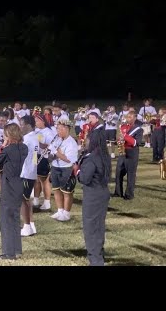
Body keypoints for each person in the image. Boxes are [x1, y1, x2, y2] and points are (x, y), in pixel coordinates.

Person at [73, 129, 111, 266]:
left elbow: (84, 178)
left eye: (88, 139)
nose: (86, 141)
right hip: (103, 192)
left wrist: (77, 170)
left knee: (91, 227)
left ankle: (95, 260)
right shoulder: (104, 155)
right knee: (99, 226)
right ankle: (99, 254)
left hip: (93, 195)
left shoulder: (91, 158)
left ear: (93, 140)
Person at [0, 124, 28, 260]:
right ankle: (17, 249)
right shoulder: (24, 148)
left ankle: (9, 252)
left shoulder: (8, 150)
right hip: (20, 184)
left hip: (9, 185)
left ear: (9, 135)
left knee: (7, 218)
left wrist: (4, 145)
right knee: (15, 217)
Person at [50, 120, 78, 222]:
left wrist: (55, 152)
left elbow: (68, 159)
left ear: (66, 129)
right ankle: (60, 210)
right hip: (55, 167)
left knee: (67, 192)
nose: (58, 131)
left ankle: (66, 213)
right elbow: (53, 154)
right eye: (57, 128)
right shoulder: (57, 139)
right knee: (56, 190)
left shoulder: (71, 142)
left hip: (66, 168)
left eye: (60, 129)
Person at [113, 111, 143, 200]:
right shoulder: (123, 127)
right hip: (122, 152)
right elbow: (120, 139)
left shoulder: (139, 129)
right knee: (118, 173)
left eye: (130, 117)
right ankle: (118, 192)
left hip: (132, 153)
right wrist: (119, 140)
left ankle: (129, 194)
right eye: (127, 117)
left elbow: (136, 143)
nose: (127, 118)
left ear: (134, 118)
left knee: (131, 175)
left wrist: (125, 136)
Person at [19, 116, 39, 237]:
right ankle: (31, 225)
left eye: (21, 124)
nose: (20, 127)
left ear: (28, 125)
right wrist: (34, 166)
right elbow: (35, 156)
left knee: (23, 200)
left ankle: (26, 226)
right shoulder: (35, 137)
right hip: (30, 172)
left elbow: (21, 156)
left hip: (25, 173)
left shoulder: (26, 139)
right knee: (27, 200)